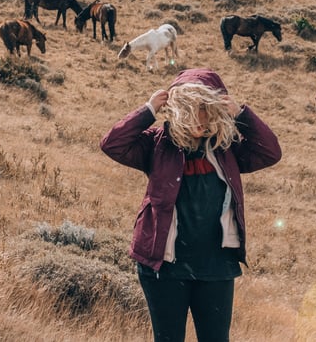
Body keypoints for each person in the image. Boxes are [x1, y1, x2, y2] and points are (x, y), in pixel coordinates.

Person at [100, 68, 282, 342]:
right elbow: (112, 144)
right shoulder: (157, 144)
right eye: (191, 108)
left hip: (216, 266)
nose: (199, 117)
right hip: (164, 266)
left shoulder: (227, 147)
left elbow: (271, 152)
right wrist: (148, 110)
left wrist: (241, 115)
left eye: (206, 108)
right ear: (178, 109)